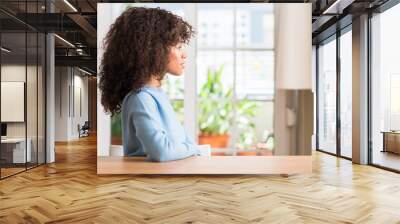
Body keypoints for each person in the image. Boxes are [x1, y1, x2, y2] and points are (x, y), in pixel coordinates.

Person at [99, 7, 202, 162]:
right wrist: (194, 148)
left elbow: (180, 144)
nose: (184, 54)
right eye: (179, 47)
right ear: (155, 50)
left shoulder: (155, 95)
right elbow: (163, 153)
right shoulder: (141, 98)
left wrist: (191, 147)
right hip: (147, 183)